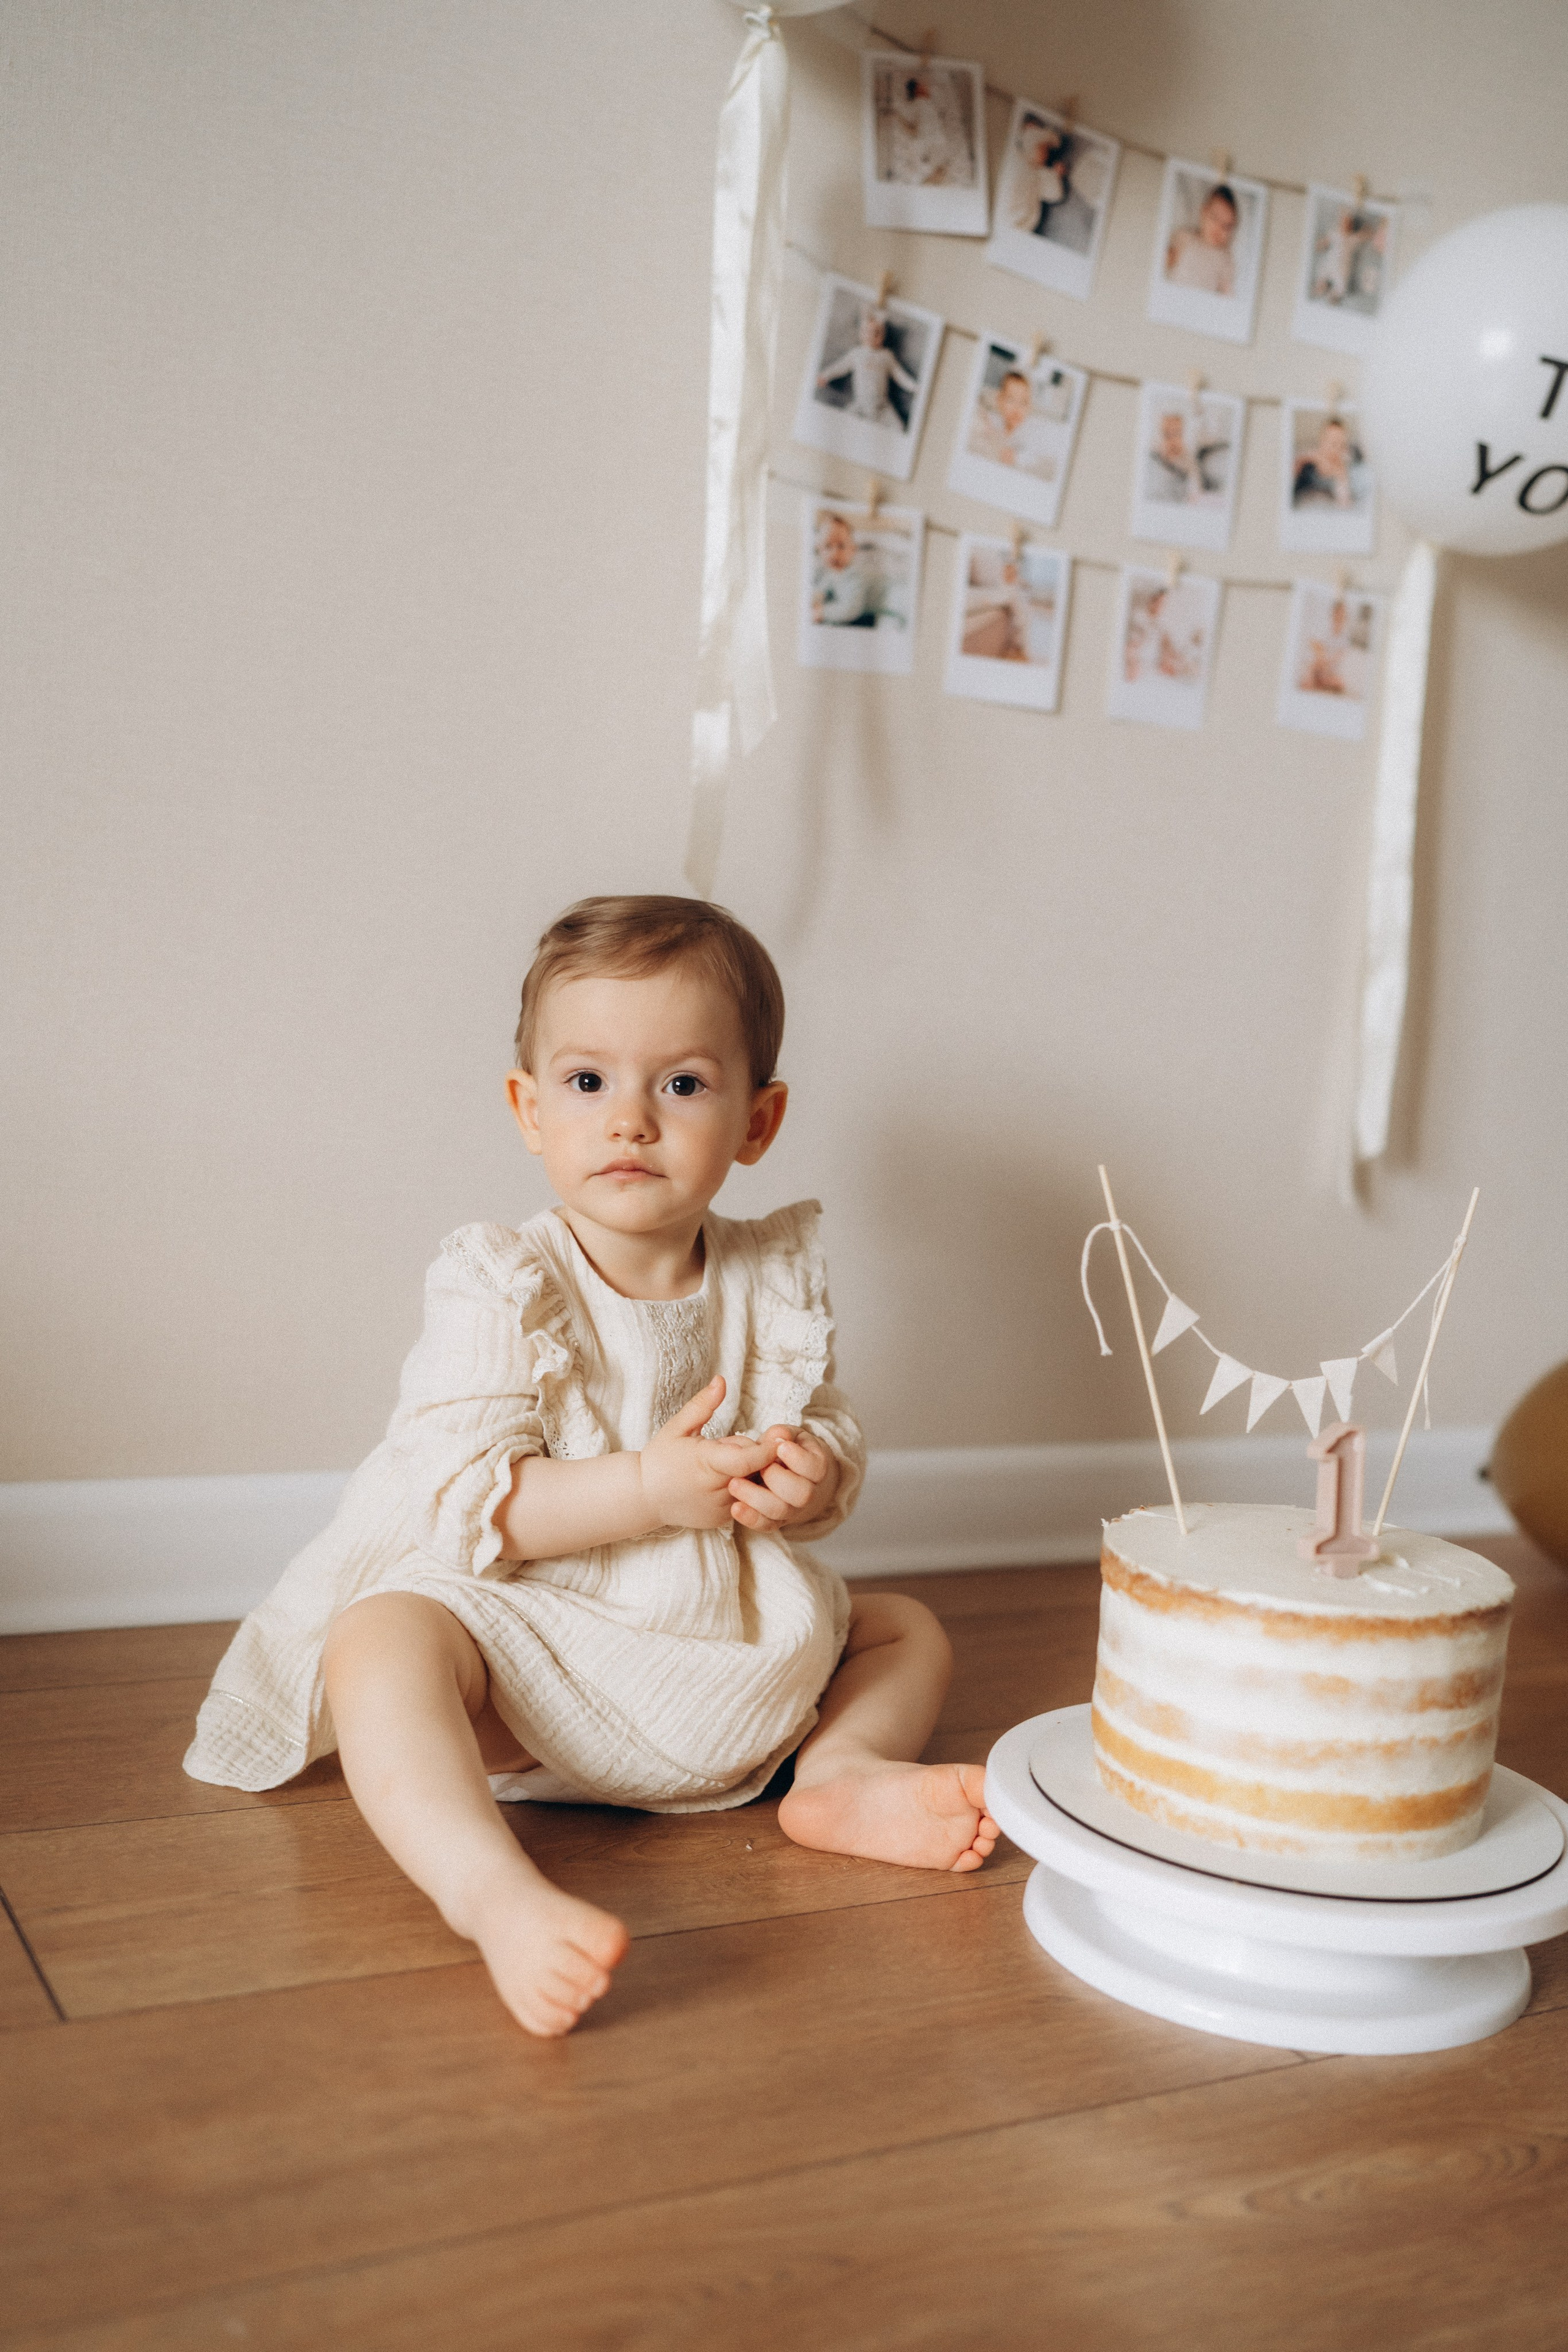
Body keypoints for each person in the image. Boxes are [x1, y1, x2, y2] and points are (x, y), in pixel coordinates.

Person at [184, 897, 997, 2037]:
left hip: (736, 1654)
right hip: (546, 1672)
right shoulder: (502, 1281)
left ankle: (839, 1774)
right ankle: (491, 1890)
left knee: (907, 1625)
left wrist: (813, 1481)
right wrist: (647, 1491)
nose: (631, 1120)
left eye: (681, 1085)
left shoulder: (773, 1276)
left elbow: (827, 1425)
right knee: (382, 1634)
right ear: (528, 1107)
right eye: (586, 1084)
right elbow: (472, 1505)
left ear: (757, 1121)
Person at [816, 306, 920, 428]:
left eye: (877, 333)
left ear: (883, 335)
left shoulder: (886, 356)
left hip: (882, 407)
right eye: (868, 332)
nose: (872, 337)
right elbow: (840, 367)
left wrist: (915, 387)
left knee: (899, 427)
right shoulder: (857, 354)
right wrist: (825, 376)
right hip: (860, 405)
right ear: (861, 333)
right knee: (843, 425)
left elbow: (900, 375)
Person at [1166, 181, 1240, 296]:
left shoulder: (1225, 257)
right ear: (1203, 212)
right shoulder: (1185, 237)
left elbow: (1227, 292)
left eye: (1227, 226)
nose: (1218, 228)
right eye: (1215, 218)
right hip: (1176, 294)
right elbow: (1166, 261)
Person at [1292, 414, 1362, 510]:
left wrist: (1340, 474)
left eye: (1341, 444)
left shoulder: (1344, 471)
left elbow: (1345, 507)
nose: (1336, 449)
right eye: (1332, 443)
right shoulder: (1305, 463)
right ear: (1322, 440)